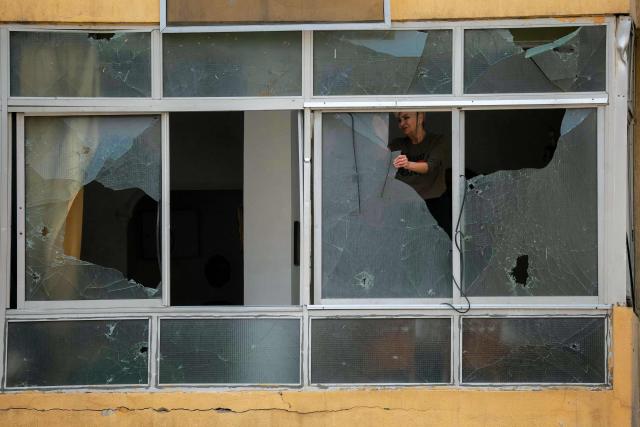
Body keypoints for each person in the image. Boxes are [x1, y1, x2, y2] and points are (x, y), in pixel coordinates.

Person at [389, 111, 452, 237]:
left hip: (435, 204)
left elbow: (429, 167)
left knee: (439, 241)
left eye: (406, 117)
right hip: (407, 205)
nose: (402, 123)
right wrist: (378, 128)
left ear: (420, 117)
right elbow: (380, 161)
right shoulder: (397, 144)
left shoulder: (437, 141)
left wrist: (407, 164)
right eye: (399, 120)